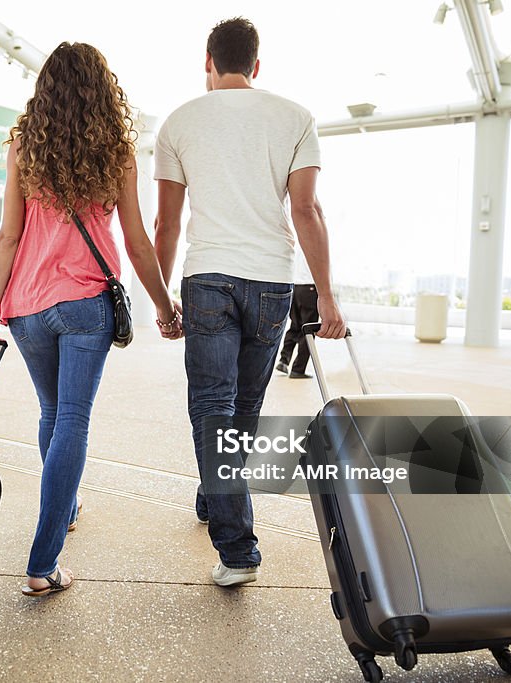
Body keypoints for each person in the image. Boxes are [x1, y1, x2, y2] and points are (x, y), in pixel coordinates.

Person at [0, 42, 181, 597]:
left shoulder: (23, 148)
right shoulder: (115, 150)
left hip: (29, 307)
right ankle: (42, 564)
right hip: (86, 304)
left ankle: (66, 506)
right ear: (101, 91)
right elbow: (136, 242)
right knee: (73, 421)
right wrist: (162, 303)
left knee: (53, 413)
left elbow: (8, 236)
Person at [153, 17, 346, 587]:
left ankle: (237, 551)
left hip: (207, 276)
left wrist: (163, 301)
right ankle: (218, 501)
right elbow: (306, 211)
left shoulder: (180, 121)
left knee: (212, 410)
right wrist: (327, 298)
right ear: (256, 65)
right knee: (241, 412)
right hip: (271, 281)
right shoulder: (294, 117)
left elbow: (167, 222)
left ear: (207, 62)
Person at [276, 248, 319, 379]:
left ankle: (284, 360)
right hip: (310, 288)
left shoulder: (299, 245)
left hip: (295, 287)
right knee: (308, 330)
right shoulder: (316, 243)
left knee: (295, 326)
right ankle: (298, 369)